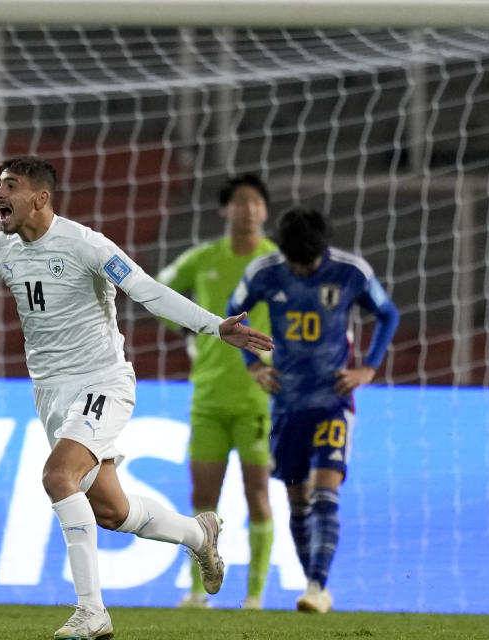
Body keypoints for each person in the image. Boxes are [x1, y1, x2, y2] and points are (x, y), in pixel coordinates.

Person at [0, 155, 274, 640]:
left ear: (41, 198)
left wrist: (214, 326)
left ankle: (92, 613)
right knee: (112, 510)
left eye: (11, 185)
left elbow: (147, 290)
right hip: (50, 393)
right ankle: (199, 534)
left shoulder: (87, 244)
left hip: (103, 382)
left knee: (57, 476)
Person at [226, 207, 399, 613]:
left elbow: (388, 313)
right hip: (286, 403)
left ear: (323, 251)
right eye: (295, 263)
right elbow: (231, 321)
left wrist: (368, 368)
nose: (301, 271)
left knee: (325, 493)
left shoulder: (350, 271)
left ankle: (319, 586)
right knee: (298, 501)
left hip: (333, 400)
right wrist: (254, 367)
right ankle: (312, 583)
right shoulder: (263, 272)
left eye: (309, 263)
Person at [156, 175, 278, 610]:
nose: (250, 210)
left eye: (257, 203)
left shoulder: (275, 262)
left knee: (257, 496)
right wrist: (188, 333)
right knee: (202, 499)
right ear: (225, 209)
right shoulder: (203, 258)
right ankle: (196, 591)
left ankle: (256, 596)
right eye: (242, 202)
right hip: (207, 396)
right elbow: (158, 288)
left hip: (256, 399)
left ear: (265, 210)